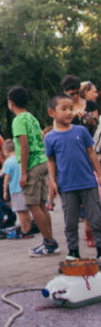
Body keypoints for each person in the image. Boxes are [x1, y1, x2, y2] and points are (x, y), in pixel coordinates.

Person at [45, 94, 101, 261]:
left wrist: (99, 174)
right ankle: (73, 251)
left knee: (96, 219)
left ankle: (100, 249)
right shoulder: (50, 138)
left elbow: (91, 153)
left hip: (88, 182)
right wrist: (52, 182)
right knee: (70, 222)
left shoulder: (81, 131)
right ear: (51, 112)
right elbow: (51, 161)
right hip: (67, 186)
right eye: (64, 109)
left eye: (71, 108)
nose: (69, 112)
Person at [7, 86, 59, 257]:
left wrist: (23, 173)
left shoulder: (18, 120)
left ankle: (49, 243)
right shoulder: (31, 117)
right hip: (42, 161)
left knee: (32, 205)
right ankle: (49, 241)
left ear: (11, 102)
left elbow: (23, 145)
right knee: (42, 204)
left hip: (32, 165)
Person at [62, 75, 99, 247]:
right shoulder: (64, 108)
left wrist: (89, 119)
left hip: (92, 149)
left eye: (76, 93)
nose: (74, 96)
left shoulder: (90, 105)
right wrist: (72, 115)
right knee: (81, 193)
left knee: (93, 192)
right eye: (71, 93)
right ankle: (88, 232)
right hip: (75, 153)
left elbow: (96, 124)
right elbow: (60, 126)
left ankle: (93, 231)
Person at [2, 139, 32, 237]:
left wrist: (4, 191)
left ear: (6, 151)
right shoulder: (20, 159)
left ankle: (24, 231)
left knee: (20, 212)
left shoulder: (8, 162)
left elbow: (7, 177)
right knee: (26, 210)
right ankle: (29, 228)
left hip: (15, 189)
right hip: (25, 188)